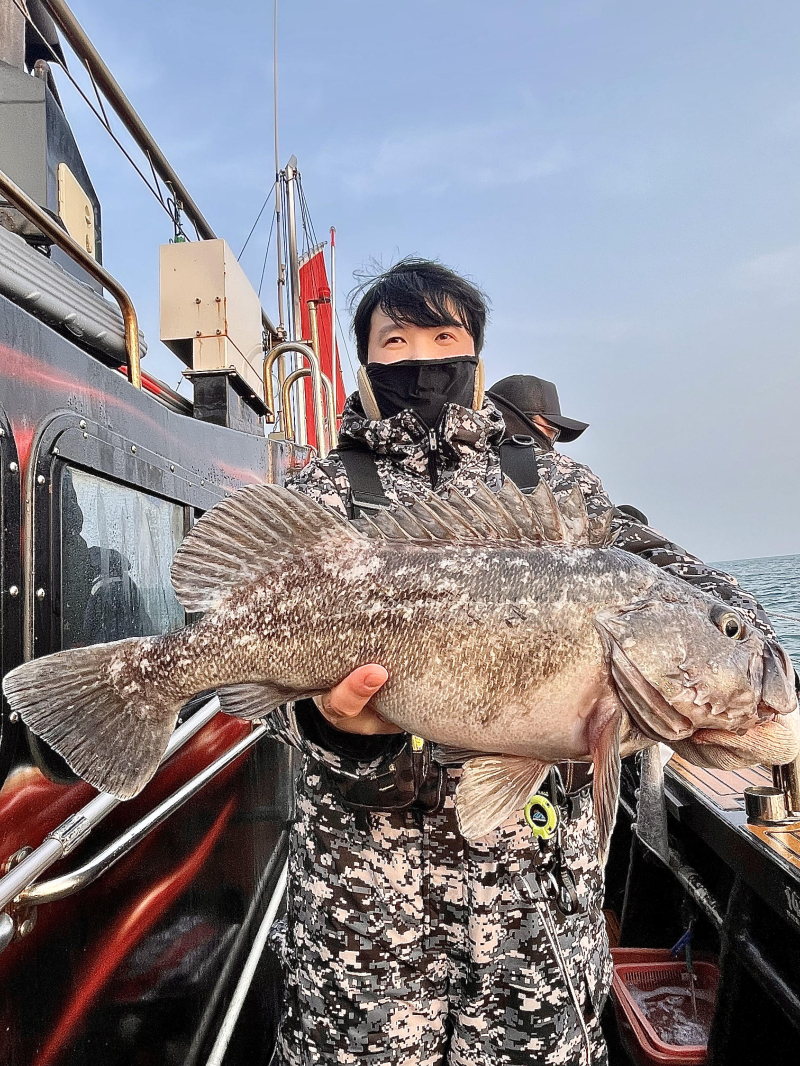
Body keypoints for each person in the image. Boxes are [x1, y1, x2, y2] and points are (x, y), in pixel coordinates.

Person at [262, 258, 775, 1066]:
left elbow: (704, 602)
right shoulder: (317, 499)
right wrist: (333, 731)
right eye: (395, 340)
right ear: (364, 361)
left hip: (534, 928)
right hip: (363, 926)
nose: (422, 357)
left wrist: (741, 678)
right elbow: (257, 693)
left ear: (477, 359)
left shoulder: (562, 493)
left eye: (445, 335)